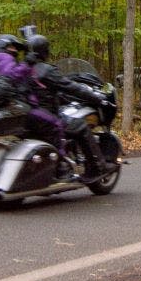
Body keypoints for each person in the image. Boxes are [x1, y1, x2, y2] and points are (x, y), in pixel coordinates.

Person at [0, 34, 73, 180]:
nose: (16, 51)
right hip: (13, 107)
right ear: (4, 46)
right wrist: (26, 64)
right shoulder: (4, 57)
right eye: (13, 47)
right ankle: (62, 165)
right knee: (56, 124)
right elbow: (10, 77)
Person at [24, 34, 112, 184]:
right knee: (81, 127)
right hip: (46, 117)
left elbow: (44, 92)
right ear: (45, 51)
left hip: (27, 118)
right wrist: (97, 97)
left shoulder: (22, 70)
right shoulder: (46, 70)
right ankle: (98, 167)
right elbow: (71, 87)